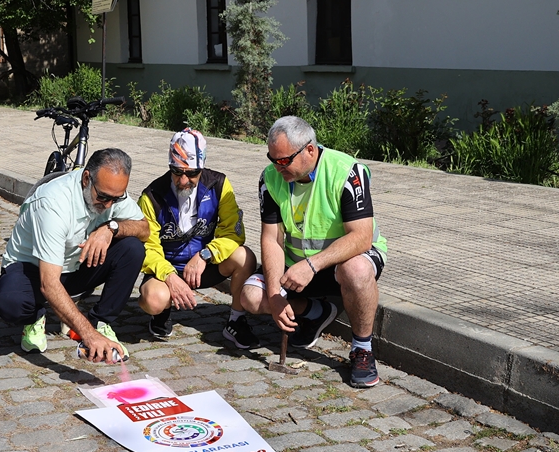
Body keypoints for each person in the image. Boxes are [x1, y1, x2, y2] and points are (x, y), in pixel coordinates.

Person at [240, 116, 388, 388]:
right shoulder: (270, 178)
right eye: (272, 158)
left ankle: (362, 349)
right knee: (251, 296)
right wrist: (274, 296)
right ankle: (315, 312)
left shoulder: (347, 171)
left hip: (341, 262)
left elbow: (362, 237)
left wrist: (311, 265)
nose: (277, 166)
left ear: (310, 150)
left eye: (284, 160)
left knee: (356, 269)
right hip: (297, 266)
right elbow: (271, 239)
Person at [0, 148, 148, 363]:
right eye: (102, 197)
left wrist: (111, 228)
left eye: (116, 199)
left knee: (132, 248)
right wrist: (88, 337)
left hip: (74, 266)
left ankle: (100, 322)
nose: (108, 205)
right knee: (11, 302)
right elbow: (49, 283)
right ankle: (35, 316)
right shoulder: (53, 202)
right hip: (33, 270)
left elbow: (145, 229)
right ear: (86, 179)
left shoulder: (111, 194)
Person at [137, 129, 257, 347]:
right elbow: (146, 247)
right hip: (167, 269)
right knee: (152, 300)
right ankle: (161, 313)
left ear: (201, 167)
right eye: (176, 171)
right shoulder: (151, 195)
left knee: (245, 257)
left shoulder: (219, 184)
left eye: (191, 173)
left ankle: (237, 320)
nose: (183, 180)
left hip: (205, 265)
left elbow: (234, 232)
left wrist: (205, 255)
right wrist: (169, 275)